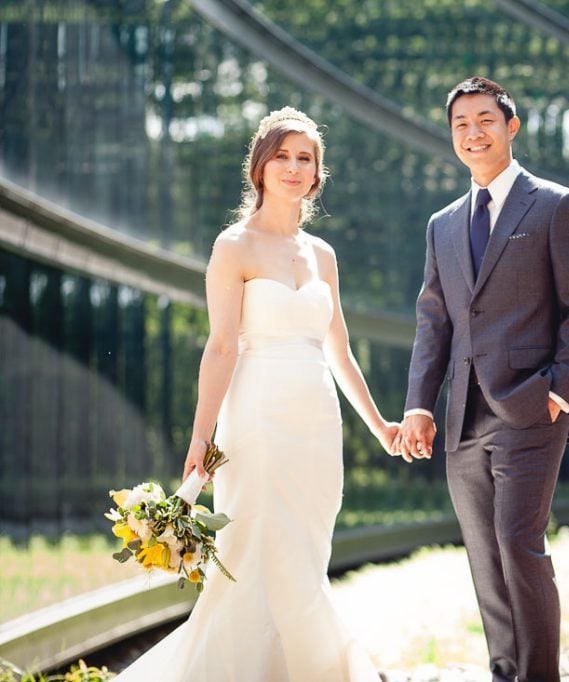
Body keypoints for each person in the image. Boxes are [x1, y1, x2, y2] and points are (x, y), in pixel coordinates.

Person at [116, 107, 394, 681]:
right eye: (283, 157)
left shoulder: (323, 255)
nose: (294, 168)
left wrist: (380, 426)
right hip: (256, 419)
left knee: (307, 555)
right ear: (260, 167)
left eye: (306, 158)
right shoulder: (233, 246)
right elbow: (221, 347)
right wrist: (201, 439)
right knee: (252, 552)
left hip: (316, 423)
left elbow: (339, 351)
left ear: (317, 173)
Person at [395, 77, 569, 682]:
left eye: (485, 119)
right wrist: (419, 406)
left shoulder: (558, 206)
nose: (472, 132)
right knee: (486, 561)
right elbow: (434, 320)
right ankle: (506, 673)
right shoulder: (443, 224)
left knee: (518, 544)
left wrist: (560, 392)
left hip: (531, 408)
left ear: (511, 127)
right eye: (461, 123)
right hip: (462, 418)